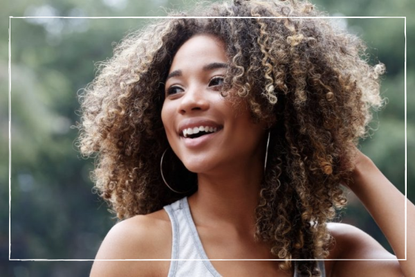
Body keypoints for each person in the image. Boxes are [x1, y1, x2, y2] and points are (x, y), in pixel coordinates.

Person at [77, 0, 414, 276]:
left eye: (218, 81)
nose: (189, 101)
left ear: (271, 103)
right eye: (174, 89)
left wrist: (359, 169)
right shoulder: (140, 246)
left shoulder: (334, 252)